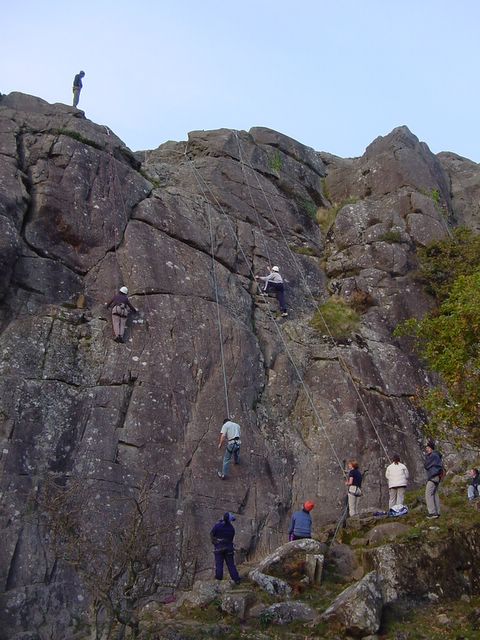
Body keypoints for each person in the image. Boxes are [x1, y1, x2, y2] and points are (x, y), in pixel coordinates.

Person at [210, 512, 241, 584]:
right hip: (229, 548)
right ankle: (236, 579)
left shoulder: (217, 526)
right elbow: (231, 539)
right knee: (231, 564)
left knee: (219, 565)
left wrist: (215, 542)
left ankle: (218, 580)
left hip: (219, 548)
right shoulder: (231, 528)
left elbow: (211, 534)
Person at [424, 440, 443, 518]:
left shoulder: (432, 456)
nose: (426, 449)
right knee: (435, 494)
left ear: (431, 448)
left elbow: (426, 465)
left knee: (428, 494)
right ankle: (437, 512)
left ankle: (432, 513)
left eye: (428, 448)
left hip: (433, 476)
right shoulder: (437, 455)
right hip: (437, 477)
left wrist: (427, 457)